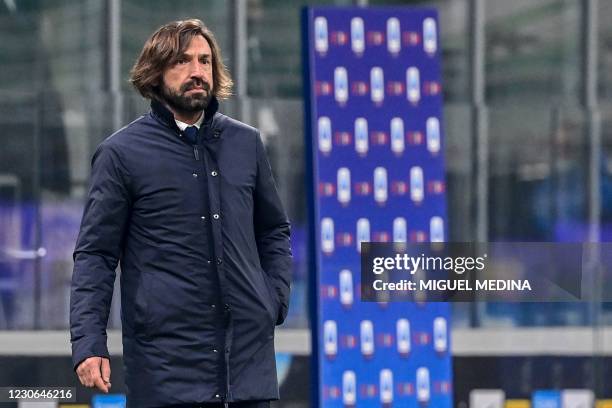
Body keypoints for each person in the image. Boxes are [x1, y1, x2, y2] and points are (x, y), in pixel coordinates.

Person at [70, 19, 292, 408]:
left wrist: (272, 299)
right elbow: (96, 255)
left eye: (205, 62)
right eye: (182, 62)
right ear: (154, 74)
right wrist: (89, 343)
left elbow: (273, 230)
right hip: (166, 372)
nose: (197, 72)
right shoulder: (120, 154)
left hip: (247, 370)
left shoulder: (246, 143)